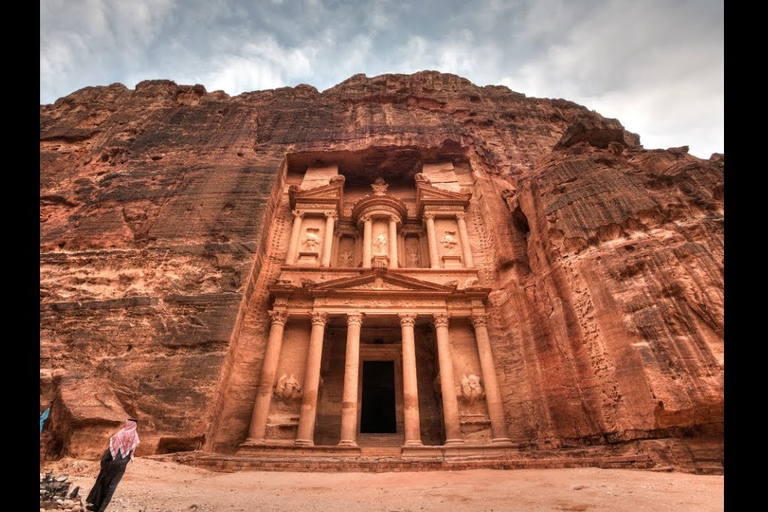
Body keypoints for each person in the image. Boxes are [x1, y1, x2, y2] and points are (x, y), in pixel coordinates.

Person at [86, 418, 140, 512]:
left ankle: (95, 505)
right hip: (121, 467)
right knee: (111, 487)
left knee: (102, 483)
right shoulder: (135, 437)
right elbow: (130, 454)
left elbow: (111, 450)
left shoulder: (121, 434)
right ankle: (101, 508)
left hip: (110, 464)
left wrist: (104, 463)